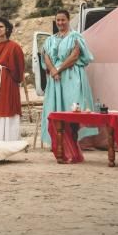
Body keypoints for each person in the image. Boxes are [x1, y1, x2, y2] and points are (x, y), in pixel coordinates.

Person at [40, 9, 96, 149]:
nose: (60, 22)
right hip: (56, 78)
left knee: (72, 106)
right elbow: (46, 55)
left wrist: (58, 69)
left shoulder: (75, 37)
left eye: (63, 20)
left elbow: (75, 56)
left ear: (68, 20)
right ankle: (59, 141)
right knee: (56, 107)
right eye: (58, 20)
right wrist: (53, 71)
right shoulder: (51, 39)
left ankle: (73, 141)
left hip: (71, 76)